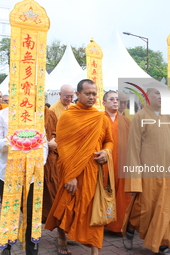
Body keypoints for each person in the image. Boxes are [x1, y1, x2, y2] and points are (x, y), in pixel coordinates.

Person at [45, 79, 113, 255]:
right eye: (87, 93)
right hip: (71, 172)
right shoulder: (68, 117)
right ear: (78, 94)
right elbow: (63, 148)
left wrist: (106, 152)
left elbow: (109, 140)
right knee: (65, 206)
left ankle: (94, 251)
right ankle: (61, 238)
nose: (92, 97)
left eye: (94, 93)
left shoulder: (100, 117)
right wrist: (70, 176)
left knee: (93, 209)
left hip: (92, 171)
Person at [122, 87, 170, 254]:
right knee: (144, 208)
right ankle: (129, 228)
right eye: (156, 93)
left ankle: (163, 244)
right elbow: (133, 149)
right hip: (148, 172)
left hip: (169, 173)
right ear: (146, 97)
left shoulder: (167, 117)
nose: (161, 97)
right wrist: (135, 177)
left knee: (167, 210)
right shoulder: (140, 117)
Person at [0, 106, 48, 255]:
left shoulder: (36, 116)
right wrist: (13, 139)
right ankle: (6, 248)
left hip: (32, 176)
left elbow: (44, 143)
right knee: (11, 213)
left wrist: (39, 164)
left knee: (31, 214)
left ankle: (31, 250)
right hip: (8, 175)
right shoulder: (1, 116)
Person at [101, 90, 131, 235]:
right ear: (104, 103)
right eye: (111, 99)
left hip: (122, 163)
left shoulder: (126, 121)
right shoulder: (99, 119)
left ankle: (119, 226)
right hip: (104, 163)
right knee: (103, 192)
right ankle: (102, 222)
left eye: (117, 99)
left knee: (122, 194)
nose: (115, 101)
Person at [42, 106, 58, 223]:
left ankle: (60, 231)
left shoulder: (50, 113)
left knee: (55, 193)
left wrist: (54, 141)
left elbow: (57, 133)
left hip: (51, 159)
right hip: (30, 161)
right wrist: (46, 144)